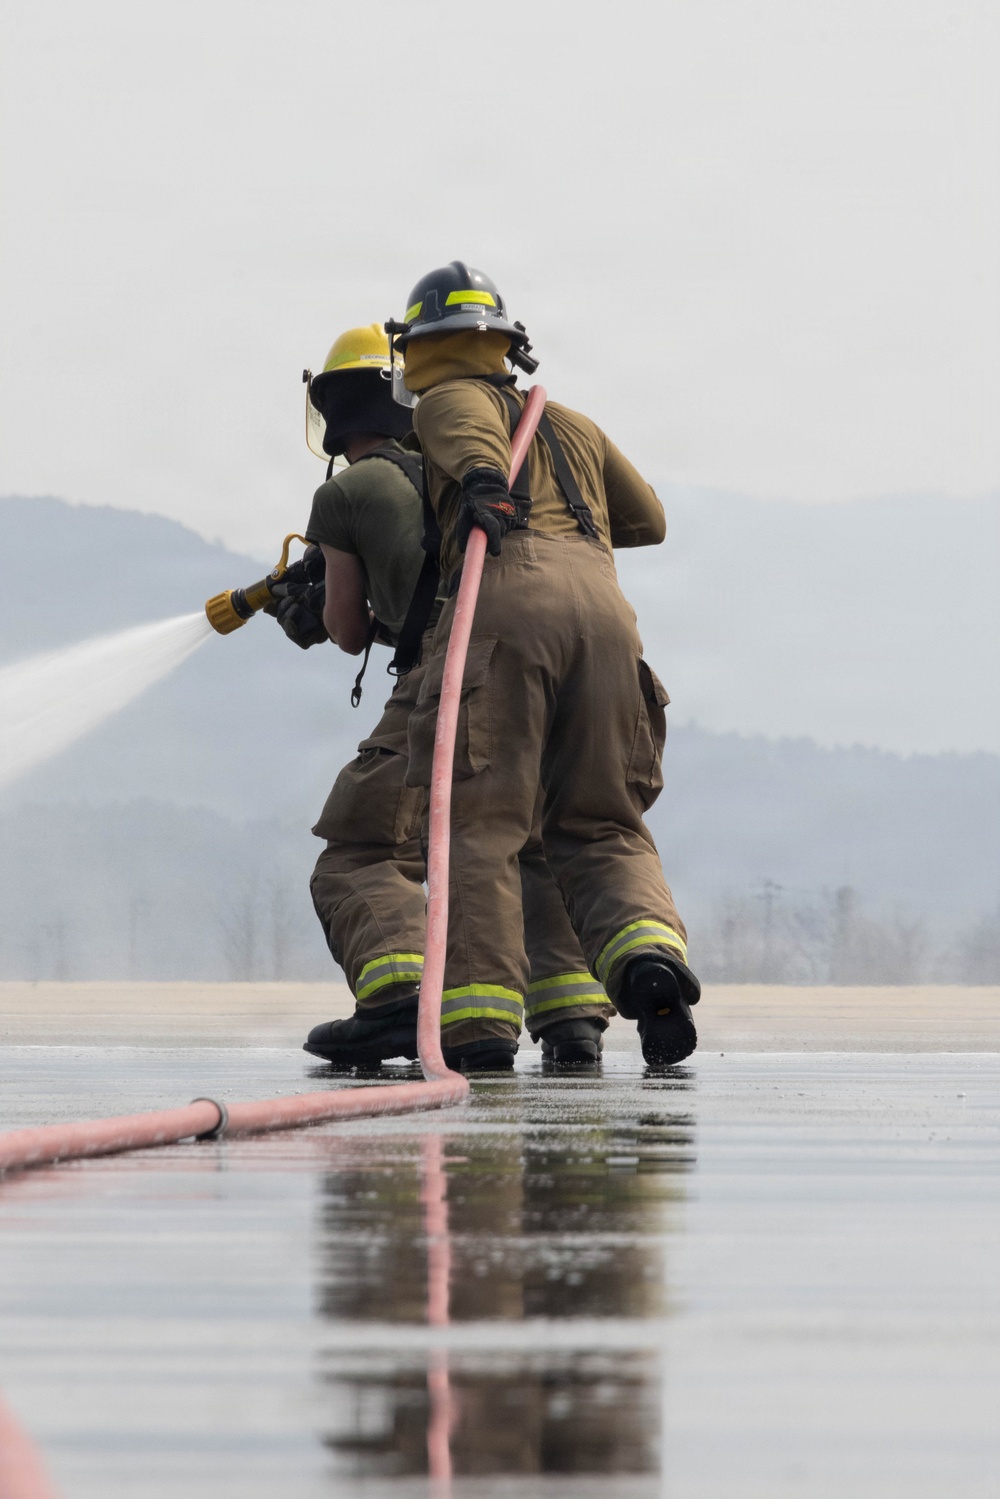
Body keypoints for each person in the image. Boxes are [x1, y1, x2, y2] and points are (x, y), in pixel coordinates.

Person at [386, 261, 701, 1069]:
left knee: (479, 824)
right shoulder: (573, 424)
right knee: (598, 821)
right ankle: (644, 960)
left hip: (509, 604)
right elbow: (650, 520)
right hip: (605, 614)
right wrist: (573, 527)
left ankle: (480, 1026)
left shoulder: (448, 395)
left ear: (424, 345)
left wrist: (489, 487)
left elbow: (467, 436)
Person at [275, 322, 615, 1071]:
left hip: (449, 675)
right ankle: (572, 1017)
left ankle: (401, 995)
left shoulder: (344, 491)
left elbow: (347, 630)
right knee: (524, 839)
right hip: (546, 665)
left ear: (330, 409)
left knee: (357, 852)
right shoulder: (449, 468)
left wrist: (302, 608)